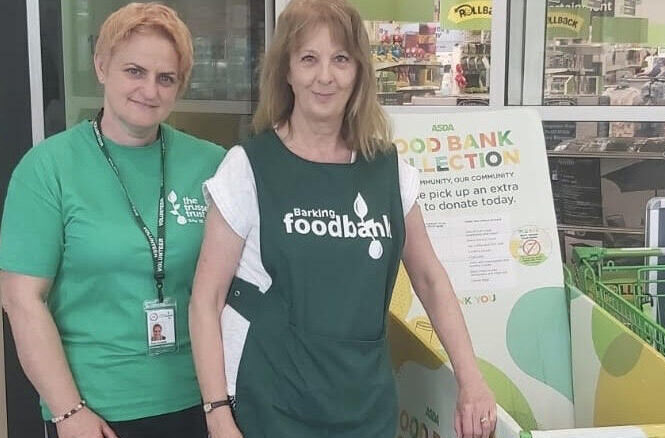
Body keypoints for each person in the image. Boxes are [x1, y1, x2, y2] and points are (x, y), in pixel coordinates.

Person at [189, 0, 496, 437]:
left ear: (358, 72)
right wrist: (217, 413)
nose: (325, 76)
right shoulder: (248, 167)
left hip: (363, 406)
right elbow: (206, 298)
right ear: (287, 70)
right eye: (309, 59)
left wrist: (471, 379)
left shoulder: (388, 171)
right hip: (270, 402)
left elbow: (429, 279)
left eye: (340, 59)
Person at [0, 3, 225, 438]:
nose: (149, 90)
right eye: (134, 71)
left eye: (166, 78)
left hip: (199, 401)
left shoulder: (212, 166)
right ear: (102, 67)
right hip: (95, 411)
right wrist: (68, 412)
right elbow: (22, 300)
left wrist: (220, 407)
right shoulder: (48, 168)